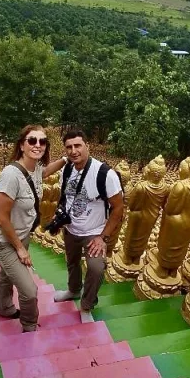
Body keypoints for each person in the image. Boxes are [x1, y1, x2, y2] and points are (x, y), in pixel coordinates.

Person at [0, 125, 67, 332]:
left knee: (7, 274)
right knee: (29, 290)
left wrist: (67, 160)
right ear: (22, 145)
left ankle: (5, 308)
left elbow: (45, 172)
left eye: (42, 141)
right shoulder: (11, 175)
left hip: (21, 235)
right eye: (32, 141)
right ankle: (30, 325)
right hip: (3, 240)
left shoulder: (35, 169)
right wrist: (20, 249)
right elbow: (2, 219)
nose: (37, 145)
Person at [52, 129, 125, 320]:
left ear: (87, 146)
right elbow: (65, 197)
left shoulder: (105, 174)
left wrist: (103, 238)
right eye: (69, 147)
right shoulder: (66, 169)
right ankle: (73, 290)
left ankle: (86, 305)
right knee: (71, 262)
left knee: (96, 267)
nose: (73, 151)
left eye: (78, 145)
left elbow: (118, 208)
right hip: (71, 229)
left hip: (94, 232)